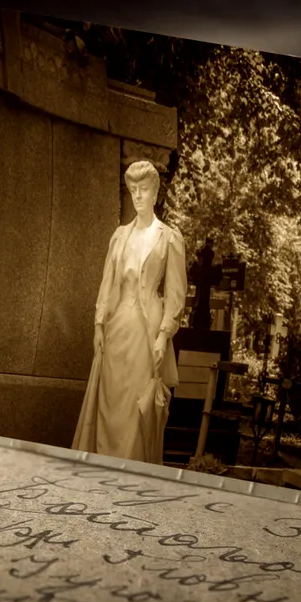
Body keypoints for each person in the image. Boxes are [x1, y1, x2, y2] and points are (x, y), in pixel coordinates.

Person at [72, 160, 187, 463]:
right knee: (109, 402)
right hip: (117, 328)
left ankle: (130, 469)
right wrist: (99, 325)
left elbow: (175, 294)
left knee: (137, 406)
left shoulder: (169, 238)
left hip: (146, 334)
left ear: (155, 194)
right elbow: (107, 283)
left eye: (144, 189)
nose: (137, 195)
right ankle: (102, 466)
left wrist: (163, 335)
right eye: (133, 189)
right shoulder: (120, 236)